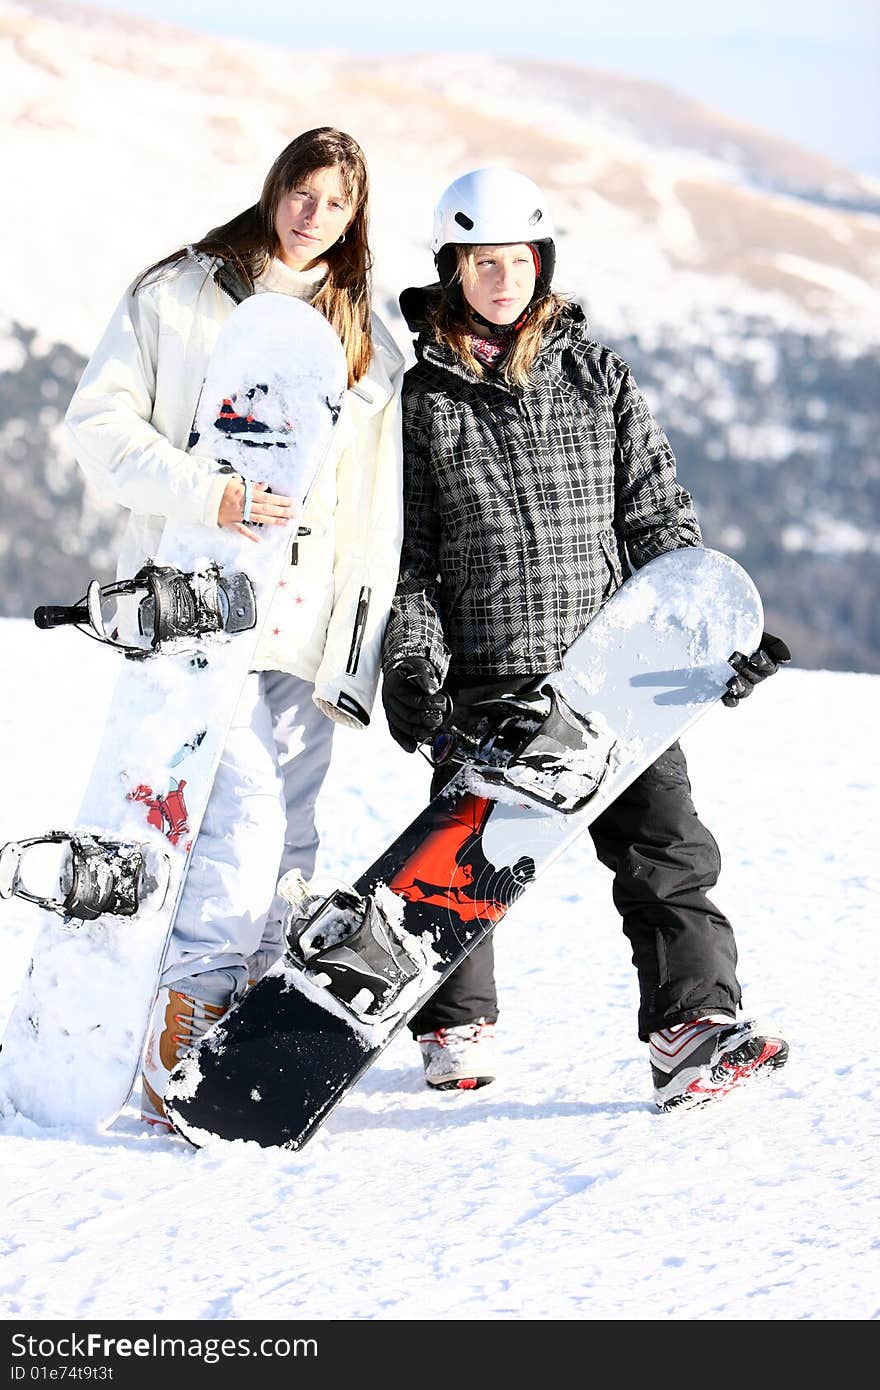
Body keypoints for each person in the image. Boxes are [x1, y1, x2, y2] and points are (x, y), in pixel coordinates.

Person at [381, 166, 791, 1111]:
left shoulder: (595, 374)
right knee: (461, 863)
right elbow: (408, 556)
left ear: (542, 263)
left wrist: (705, 633)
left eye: (518, 260)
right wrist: (413, 662)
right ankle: (453, 1027)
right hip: (488, 671)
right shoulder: (422, 401)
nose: (502, 279)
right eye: (482, 262)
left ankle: (691, 1027)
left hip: (613, 673)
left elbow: (655, 518)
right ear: (452, 268)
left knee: (667, 850)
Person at [65, 127, 405, 1126]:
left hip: (305, 627)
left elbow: (371, 508)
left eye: (333, 202)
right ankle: (188, 1014)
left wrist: (360, 643)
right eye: (299, 191)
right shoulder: (182, 292)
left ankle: (248, 1028)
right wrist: (205, 495)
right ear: (274, 190)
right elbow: (101, 425)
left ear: (353, 218)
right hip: (199, 604)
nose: (310, 214)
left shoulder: (366, 341)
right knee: (243, 824)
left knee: (290, 839)